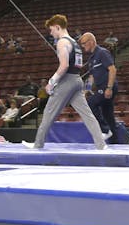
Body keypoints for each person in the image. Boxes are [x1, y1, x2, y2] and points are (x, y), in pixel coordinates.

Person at [22, 14, 109, 150]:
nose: (51, 33)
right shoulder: (75, 43)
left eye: (51, 30)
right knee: (88, 115)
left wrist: (51, 82)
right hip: (77, 80)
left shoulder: (62, 42)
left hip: (67, 81)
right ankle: (101, 145)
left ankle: (38, 144)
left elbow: (64, 66)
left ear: (57, 27)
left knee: (48, 112)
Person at [80, 32, 121, 144]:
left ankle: (105, 130)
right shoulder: (91, 59)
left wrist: (109, 88)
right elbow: (92, 76)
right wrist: (87, 89)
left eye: (84, 43)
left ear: (91, 42)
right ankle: (116, 143)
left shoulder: (102, 53)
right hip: (100, 87)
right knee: (108, 115)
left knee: (90, 103)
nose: (83, 46)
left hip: (107, 87)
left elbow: (112, 69)